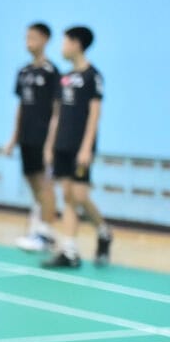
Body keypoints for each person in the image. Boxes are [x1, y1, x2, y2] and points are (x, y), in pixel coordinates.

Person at [43, 26, 111, 268]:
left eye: (65, 42)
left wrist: (86, 147)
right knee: (68, 196)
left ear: (77, 44)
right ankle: (69, 250)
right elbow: (56, 115)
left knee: (79, 196)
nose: (62, 47)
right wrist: (49, 145)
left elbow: (94, 115)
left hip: (80, 146)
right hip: (61, 144)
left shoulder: (94, 76)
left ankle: (103, 231)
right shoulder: (64, 78)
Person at [4, 23, 62, 252]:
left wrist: (50, 144)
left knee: (45, 185)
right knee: (33, 183)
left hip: (43, 137)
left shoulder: (51, 71)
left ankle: (46, 233)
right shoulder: (23, 72)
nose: (29, 42)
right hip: (26, 137)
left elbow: (57, 111)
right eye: (27, 37)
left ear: (45, 40)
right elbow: (21, 106)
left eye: (34, 38)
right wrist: (13, 138)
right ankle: (41, 230)